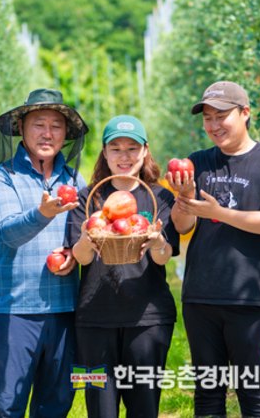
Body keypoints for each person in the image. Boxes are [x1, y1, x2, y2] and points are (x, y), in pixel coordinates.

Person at [165, 81, 260, 418]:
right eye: (207, 118)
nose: (213, 125)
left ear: (246, 113)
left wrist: (220, 214)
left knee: (252, 392)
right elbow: (182, 226)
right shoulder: (198, 163)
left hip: (249, 298)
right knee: (207, 393)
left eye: (221, 116)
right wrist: (184, 197)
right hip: (200, 295)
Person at [0, 88, 88, 418]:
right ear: (21, 129)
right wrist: (44, 213)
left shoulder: (75, 180)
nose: (47, 133)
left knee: (56, 403)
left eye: (56, 126)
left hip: (65, 308)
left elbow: (79, 236)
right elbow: (10, 233)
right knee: (5, 405)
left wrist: (72, 254)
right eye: (38, 124)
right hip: (15, 310)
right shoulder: (1, 179)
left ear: (66, 134)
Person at [65, 115, 179, 418]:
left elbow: (163, 256)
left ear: (145, 151)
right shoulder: (86, 199)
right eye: (115, 148)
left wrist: (156, 242)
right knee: (99, 409)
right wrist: (90, 237)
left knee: (144, 408)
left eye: (132, 148)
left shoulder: (161, 197)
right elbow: (83, 258)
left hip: (149, 320)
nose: (124, 156)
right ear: (104, 152)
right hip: (93, 319)